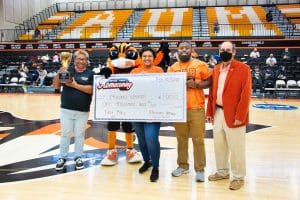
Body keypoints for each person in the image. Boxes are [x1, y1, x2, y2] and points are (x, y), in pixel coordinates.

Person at [206, 41, 252, 190]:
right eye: (222, 49)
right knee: (219, 145)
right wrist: (209, 112)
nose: (224, 51)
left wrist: (241, 115)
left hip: (235, 114)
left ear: (234, 52)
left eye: (228, 49)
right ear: (219, 52)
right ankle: (222, 171)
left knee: (236, 147)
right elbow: (213, 93)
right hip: (218, 111)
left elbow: (246, 94)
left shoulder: (243, 68)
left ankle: (238, 177)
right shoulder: (217, 68)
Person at [167, 41, 212, 182]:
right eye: (181, 48)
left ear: (192, 50)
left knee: (198, 140)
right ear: (177, 50)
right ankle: (183, 166)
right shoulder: (173, 68)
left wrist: (197, 85)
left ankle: (200, 169)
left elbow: (210, 81)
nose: (184, 50)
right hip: (178, 109)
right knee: (181, 140)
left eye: (187, 48)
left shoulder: (200, 65)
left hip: (196, 108)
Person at [52, 50, 94, 171]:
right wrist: (59, 73)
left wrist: (75, 85)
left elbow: (91, 90)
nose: (81, 61)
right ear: (74, 60)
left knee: (80, 135)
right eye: (79, 59)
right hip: (66, 109)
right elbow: (55, 86)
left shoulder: (90, 74)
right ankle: (62, 157)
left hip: (83, 111)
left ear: (87, 61)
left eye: (83, 59)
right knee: (65, 134)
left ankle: (78, 157)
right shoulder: (67, 71)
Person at [130, 47, 164, 182]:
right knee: (142, 139)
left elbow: (163, 89)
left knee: (151, 138)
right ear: (141, 57)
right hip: (137, 111)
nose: (147, 58)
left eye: (150, 56)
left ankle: (155, 166)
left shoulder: (159, 71)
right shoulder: (134, 72)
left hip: (153, 111)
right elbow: (129, 90)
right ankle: (147, 161)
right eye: (144, 56)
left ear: (153, 58)